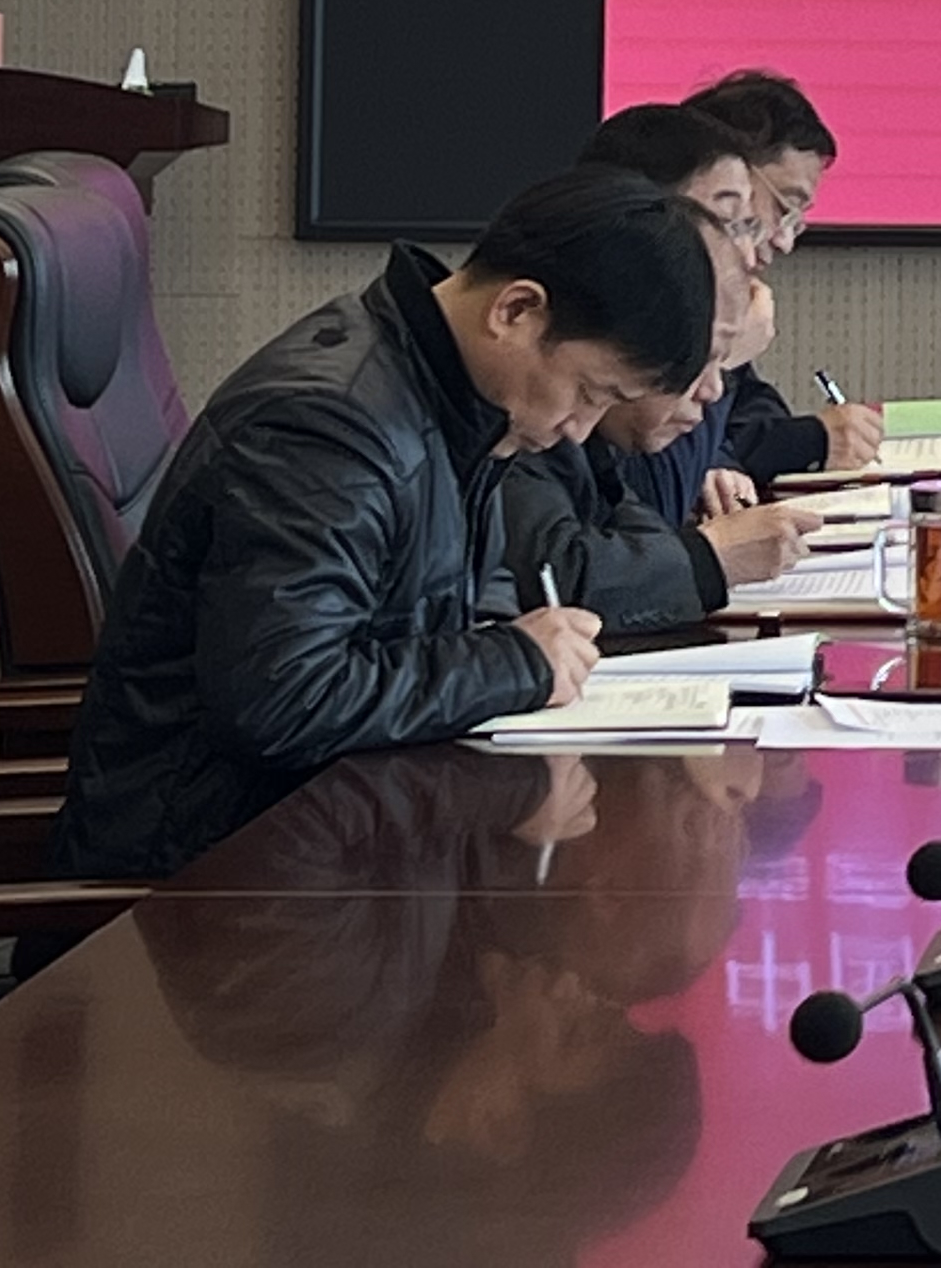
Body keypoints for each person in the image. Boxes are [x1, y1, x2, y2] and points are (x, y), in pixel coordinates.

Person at [55, 164, 720, 878]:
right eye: (589, 392)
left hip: (336, 837)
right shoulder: (328, 428)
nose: (580, 430)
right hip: (213, 883)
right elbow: (285, 698)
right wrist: (517, 662)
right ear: (517, 311)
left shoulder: (455, 400)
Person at [501, 106, 827, 630]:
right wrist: (707, 559)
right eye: (727, 223)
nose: (749, 253)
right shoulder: (553, 360)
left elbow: (645, 521)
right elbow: (561, 574)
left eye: (748, 225)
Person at [682, 68, 885, 477]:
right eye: (784, 207)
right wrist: (723, 360)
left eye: (797, 220)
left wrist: (811, 438)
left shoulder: (721, 292)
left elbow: (751, 419)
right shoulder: (651, 287)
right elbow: (668, 470)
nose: (784, 241)